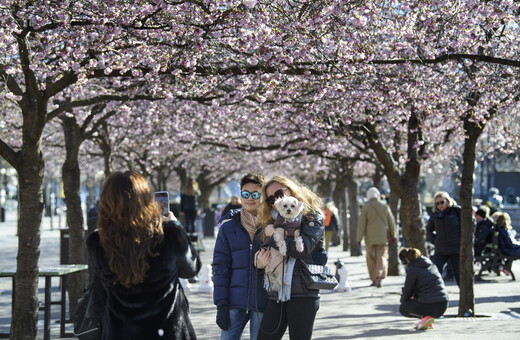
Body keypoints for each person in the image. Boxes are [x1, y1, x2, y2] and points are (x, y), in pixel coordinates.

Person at [87, 171, 202, 340]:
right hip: (167, 330)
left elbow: (100, 289)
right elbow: (191, 270)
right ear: (146, 199)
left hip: (120, 330)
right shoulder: (169, 234)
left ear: (106, 201)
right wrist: (176, 225)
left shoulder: (97, 241)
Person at [253, 175, 326, 340]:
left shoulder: (312, 216)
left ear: (291, 188)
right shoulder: (270, 219)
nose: (276, 199)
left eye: (280, 192)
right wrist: (257, 262)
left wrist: (274, 235)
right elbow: (261, 251)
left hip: (303, 292)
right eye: (271, 198)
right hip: (276, 291)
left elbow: (302, 250)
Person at [212, 173, 268, 340]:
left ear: (262, 196)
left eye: (255, 194)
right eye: (245, 193)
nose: (249, 198)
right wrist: (221, 305)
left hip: (263, 302)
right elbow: (220, 268)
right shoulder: (228, 228)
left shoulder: (272, 227)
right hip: (233, 303)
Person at [399, 248, 449, 330]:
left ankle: (426, 318)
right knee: (419, 300)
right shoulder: (431, 264)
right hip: (443, 304)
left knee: (403, 308)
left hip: (430, 304)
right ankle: (426, 320)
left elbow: (407, 292)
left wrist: (403, 299)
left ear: (406, 260)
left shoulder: (412, 269)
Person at [356, 187, 397, 288]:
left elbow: (362, 224)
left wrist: (359, 239)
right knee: (382, 256)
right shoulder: (384, 205)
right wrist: (394, 235)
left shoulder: (366, 207)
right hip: (382, 236)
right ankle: (380, 275)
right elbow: (391, 221)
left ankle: (374, 278)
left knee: (370, 258)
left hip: (369, 237)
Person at [426, 191, 465, 287]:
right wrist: (434, 241)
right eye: (437, 203)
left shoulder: (456, 211)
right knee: (434, 273)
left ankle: (464, 297)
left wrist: (461, 240)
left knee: (459, 275)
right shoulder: (435, 214)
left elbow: (469, 224)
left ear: (447, 201)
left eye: (442, 202)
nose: (440, 205)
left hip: (455, 248)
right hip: (440, 249)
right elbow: (429, 229)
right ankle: (434, 295)